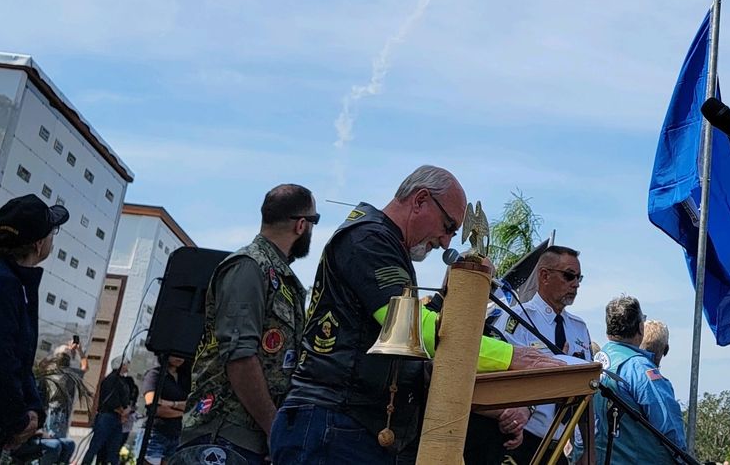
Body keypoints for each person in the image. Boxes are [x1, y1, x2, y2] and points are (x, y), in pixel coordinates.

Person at [271, 165, 558, 465]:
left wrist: (446, 300)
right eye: (448, 226)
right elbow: (409, 329)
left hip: (350, 426)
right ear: (420, 200)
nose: (447, 242)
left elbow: (405, 333)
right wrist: (513, 358)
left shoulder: (385, 244)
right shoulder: (369, 239)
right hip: (333, 426)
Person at [177, 184, 316, 465]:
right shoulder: (249, 266)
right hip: (223, 432)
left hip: (250, 438)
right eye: (314, 222)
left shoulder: (281, 277)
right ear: (301, 225)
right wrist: (274, 427)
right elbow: (239, 356)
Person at [487, 245, 594, 463]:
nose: (576, 284)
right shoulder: (516, 319)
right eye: (569, 276)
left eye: (579, 277)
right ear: (544, 275)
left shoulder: (578, 328)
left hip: (558, 443)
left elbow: (587, 390)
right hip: (520, 439)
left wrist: (590, 449)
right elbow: (503, 379)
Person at [0, 194, 74, 464]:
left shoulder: (17, 283)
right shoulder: (7, 285)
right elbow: (4, 359)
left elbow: (19, 362)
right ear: (39, 243)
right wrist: (18, 420)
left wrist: (32, 412)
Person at [594, 295, 686, 465]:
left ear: (608, 330)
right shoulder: (639, 368)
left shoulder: (595, 362)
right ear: (640, 328)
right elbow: (668, 425)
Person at [141, 355, 191, 464]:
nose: (179, 357)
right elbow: (154, 406)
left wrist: (168, 404)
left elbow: (193, 404)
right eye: (175, 353)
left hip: (177, 434)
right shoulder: (154, 374)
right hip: (157, 432)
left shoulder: (184, 378)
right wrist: (183, 409)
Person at [82, 361, 133, 465]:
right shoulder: (112, 379)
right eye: (125, 364)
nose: (127, 366)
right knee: (96, 445)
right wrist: (123, 411)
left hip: (116, 418)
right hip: (107, 417)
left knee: (114, 448)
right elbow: (111, 401)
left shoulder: (122, 381)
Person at [41, 340, 88, 438]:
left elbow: (43, 363)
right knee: (56, 439)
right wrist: (80, 351)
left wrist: (60, 351)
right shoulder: (70, 373)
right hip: (59, 412)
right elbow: (85, 367)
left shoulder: (49, 370)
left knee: (48, 438)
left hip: (48, 408)